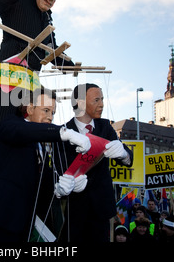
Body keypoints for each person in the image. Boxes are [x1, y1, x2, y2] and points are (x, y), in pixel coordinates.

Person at [0, 0, 74, 227]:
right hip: (5, 85)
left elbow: (51, 54)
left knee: (22, 147)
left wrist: (67, 63)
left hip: (30, 93)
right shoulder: (20, 4)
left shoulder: (46, 20)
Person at [0, 87, 91, 242]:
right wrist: (64, 132)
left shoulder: (42, 146)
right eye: (45, 110)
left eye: (52, 112)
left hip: (25, 226)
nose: (50, 117)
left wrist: (62, 187)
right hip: (1, 220)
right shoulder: (11, 124)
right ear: (30, 108)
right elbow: (23, 131)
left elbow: (41, 183)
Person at [58, 83, 133, 242]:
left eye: (102, 99)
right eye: (96, 100)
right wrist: (69, 182)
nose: (102, 105)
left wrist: (123, 154)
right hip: (74, 209)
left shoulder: (105, 126)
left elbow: (128, 159)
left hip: (101, 209)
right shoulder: (64, 131)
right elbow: (59, 169)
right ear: (80, 103)